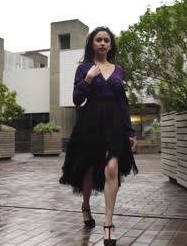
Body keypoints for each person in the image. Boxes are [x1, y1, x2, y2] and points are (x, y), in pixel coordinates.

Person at [59, 26, 138, 246]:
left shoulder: (118, 70)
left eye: (106, 40)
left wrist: (130, 130)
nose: (102, 43)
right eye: (98, 40)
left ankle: (109, 225)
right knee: (89, 170)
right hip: (90, 123)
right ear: (92, 44)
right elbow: (77, 99)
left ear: (111, 45)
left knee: (111, 168)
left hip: (114, 124)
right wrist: (89, 79)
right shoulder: (84, 68)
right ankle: (86, 206)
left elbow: (122, 102)